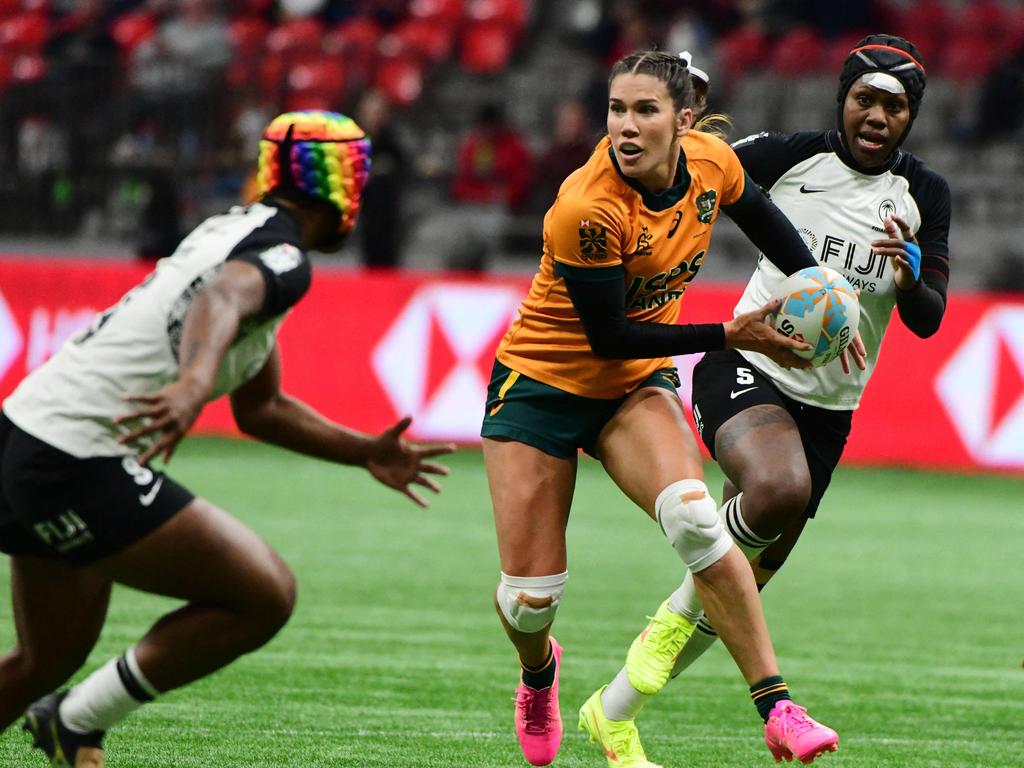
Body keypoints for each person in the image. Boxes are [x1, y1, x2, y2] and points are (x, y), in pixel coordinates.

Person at [0, 110, 455, 766]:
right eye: (360, 174)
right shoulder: (283, 257)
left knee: (45, 657)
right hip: (73, 455)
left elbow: (261, 409)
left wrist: (364, 451)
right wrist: (190, 385)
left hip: (28, 436)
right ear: (338, 185)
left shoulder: (238, 231)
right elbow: (221, 299)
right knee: (263, 594)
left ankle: (67, 716)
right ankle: (74, 723)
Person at [590, 33, 949, 767]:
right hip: (746, 366)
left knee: (734, 593)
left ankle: (613, 711)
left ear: (911, 116)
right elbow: (683, 177)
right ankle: (704, 647)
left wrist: (914, 279)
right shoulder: (789, 157)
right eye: (865, 99)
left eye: (895, 106)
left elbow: (928, 317)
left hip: (831, 409)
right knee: (778, 488)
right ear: (842, 100)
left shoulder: (925, 196)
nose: (877, 116)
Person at [480, 50, 842, 768]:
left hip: (631, 387)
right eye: (617, 109)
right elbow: (608, 334)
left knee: (696, 520)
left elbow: (764, 219)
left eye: (644, 110)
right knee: (529, 603)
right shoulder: (587, 206)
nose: (626, 125)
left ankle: (778, 707)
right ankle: (539, 673)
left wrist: (819, 289)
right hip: (542, 387)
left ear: (683, 122)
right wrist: (731, 331)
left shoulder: (710, 163)